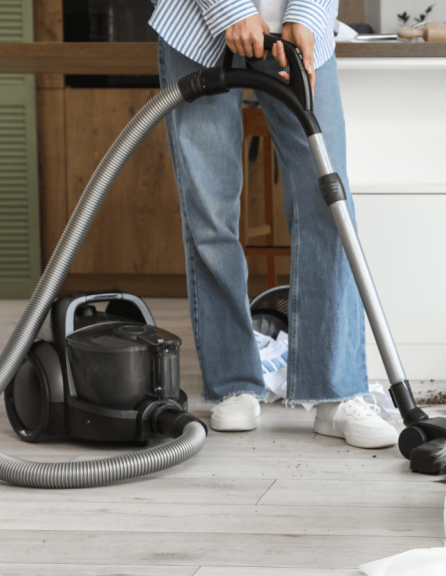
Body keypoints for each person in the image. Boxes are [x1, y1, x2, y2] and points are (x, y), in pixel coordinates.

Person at [149, 0, 397, 448]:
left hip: (297, 24)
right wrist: (229, 9)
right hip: (197, 23)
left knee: (329, 204)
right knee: (210, 209)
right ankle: (234, 383)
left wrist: (305, 14)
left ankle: (336, 391)